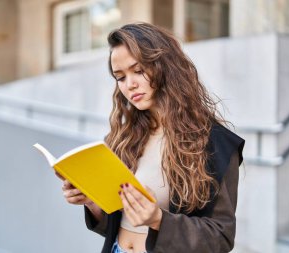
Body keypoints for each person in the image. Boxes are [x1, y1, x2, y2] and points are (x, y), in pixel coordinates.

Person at [61, 23, 244, 253]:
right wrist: (91, 202)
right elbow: (116, 222)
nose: (130, 85)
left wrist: (158, 219)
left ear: (165, 66)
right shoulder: (123, 137)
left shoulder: (215, 143)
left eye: (138, 71)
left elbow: (221, 238)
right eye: (120, 77)